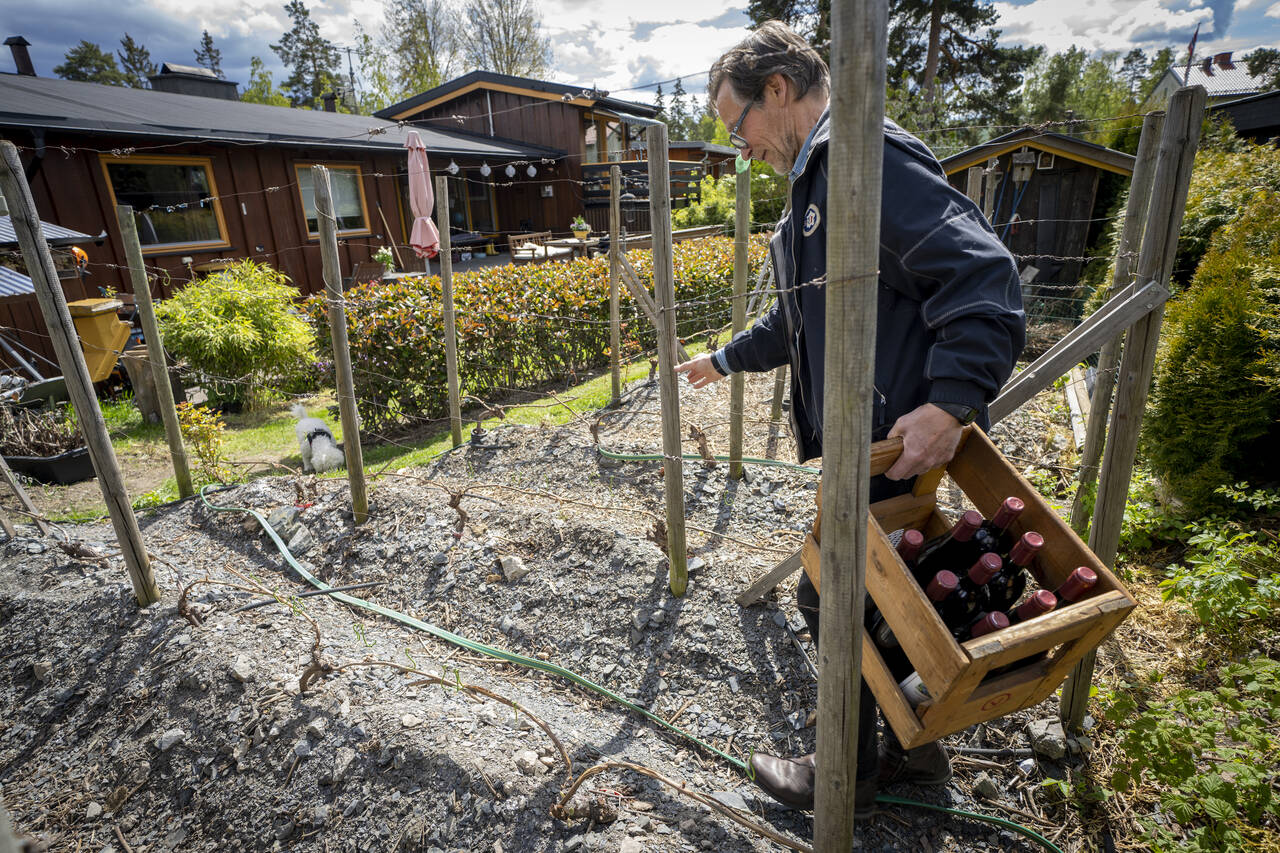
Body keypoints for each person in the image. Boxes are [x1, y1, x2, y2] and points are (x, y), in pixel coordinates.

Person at [675, 21, 1026, 817]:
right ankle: (913, 757)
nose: (739, 147)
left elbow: (982, 275)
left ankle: (848, 774)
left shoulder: (860, 162)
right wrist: (722, 360)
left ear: (778, 89)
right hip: (870, 445)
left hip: (894, 441)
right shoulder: (816, 184)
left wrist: (951, 399)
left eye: (739, 125)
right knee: (869, 596)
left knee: (829, 593)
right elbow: (800, 322)